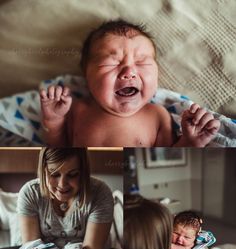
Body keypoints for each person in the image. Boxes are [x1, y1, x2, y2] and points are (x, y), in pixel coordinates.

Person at [40, 18, 220, 150]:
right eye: (113, 62)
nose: (129, 72)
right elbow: (58, 150)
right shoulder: (78, 110)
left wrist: (191, 142)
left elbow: (167, 157)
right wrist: (54, 120)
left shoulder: (157, 115)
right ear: (86, 75)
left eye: (141, 62)